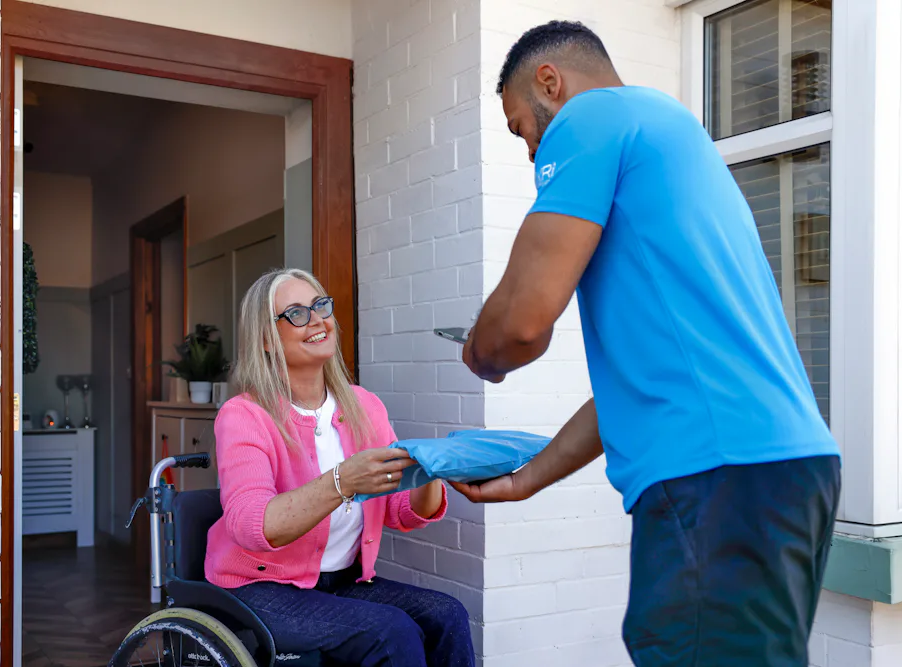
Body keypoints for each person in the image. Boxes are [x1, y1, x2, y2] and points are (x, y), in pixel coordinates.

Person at [451, 20, 841, 667]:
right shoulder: (669, 134)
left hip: (717, 477)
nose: (531, 155)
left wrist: (475, 350)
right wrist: (529, 479)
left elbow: (518, 327)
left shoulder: (590, 119)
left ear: (550, 82)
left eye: (525, 129)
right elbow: (641, 385)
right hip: (778, 470)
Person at [204, 268, 475, 667]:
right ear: (265, 338)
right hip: (260, 587)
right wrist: (341, 481)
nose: (317, 320)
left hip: (343, 582)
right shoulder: (244, 415)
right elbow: (250, 524)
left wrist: (431, 472)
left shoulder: (364, 406)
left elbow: (401, 512)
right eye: (296, 313)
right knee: (391, 632)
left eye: (320, 306)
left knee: (447, 615)